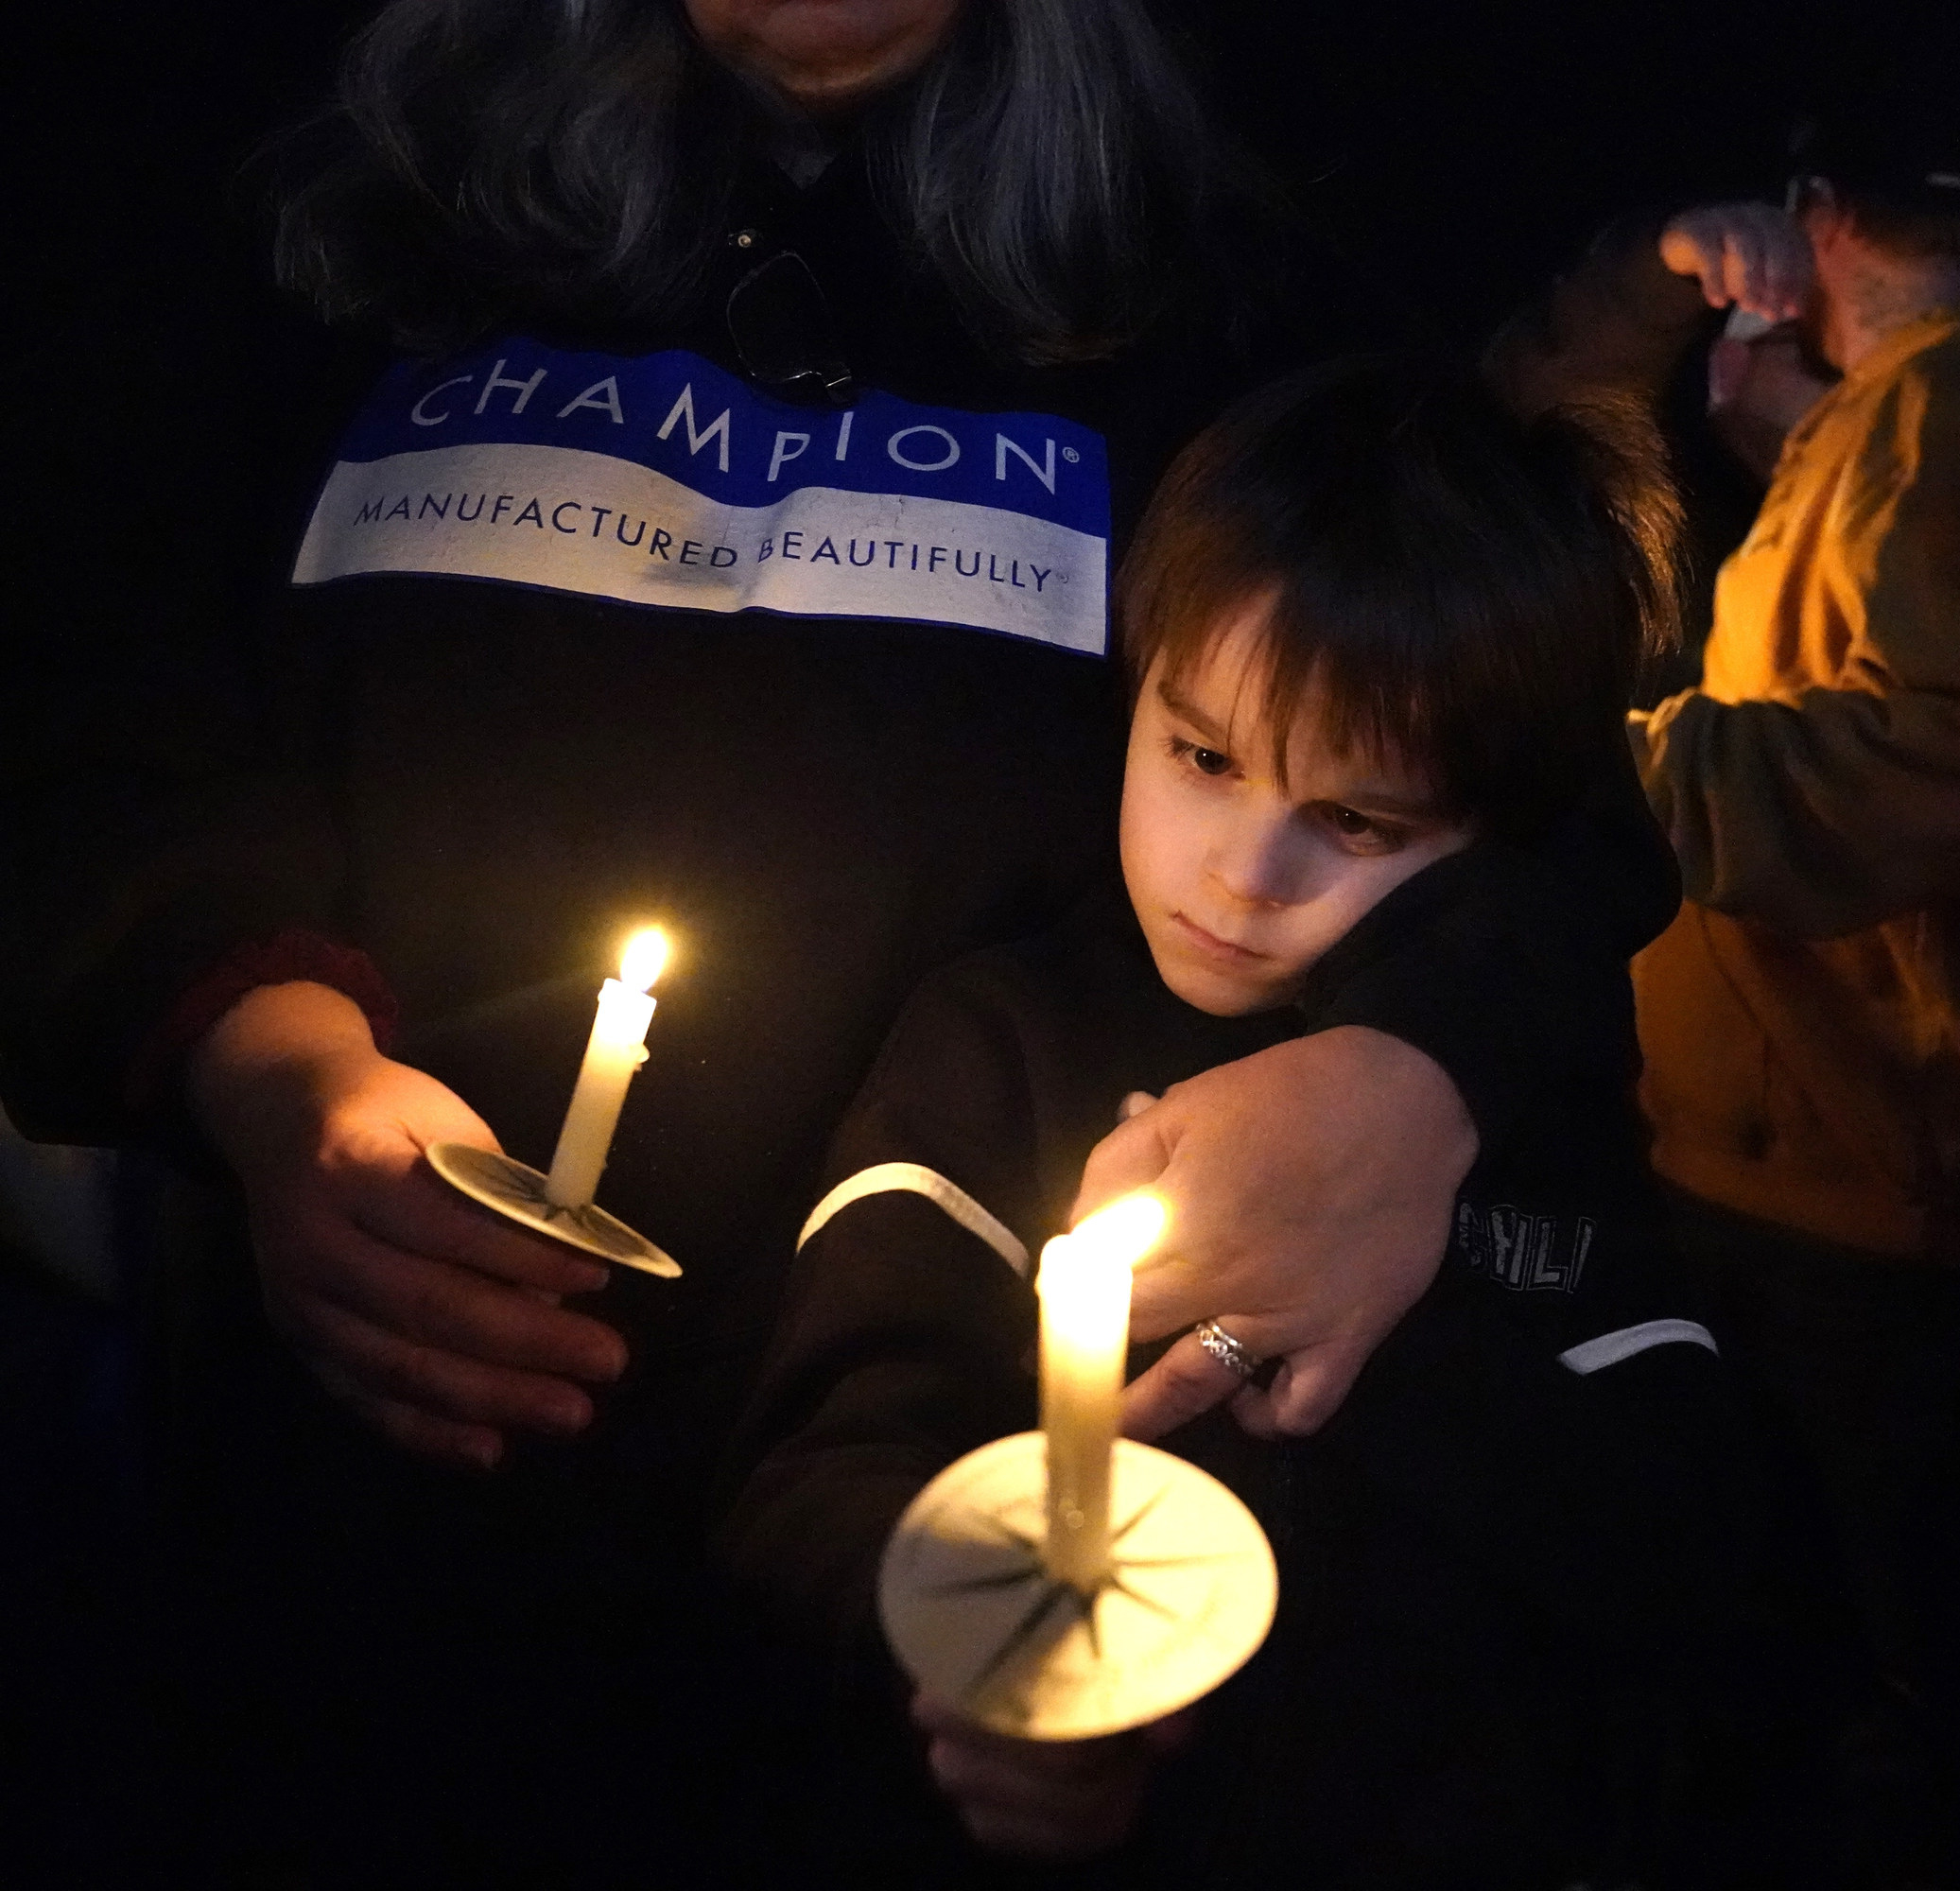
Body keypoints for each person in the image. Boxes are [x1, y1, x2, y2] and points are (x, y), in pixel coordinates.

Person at [0, 3, 1672, 1876]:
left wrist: (1410, 1068)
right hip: (332, 1549)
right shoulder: (314, 223)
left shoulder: (1228, 294)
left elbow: (1535, 782)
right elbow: (83, 708)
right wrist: (255, 1042)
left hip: (903, 1606)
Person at [721, 357, 1815, 1886]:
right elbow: (818, 1478)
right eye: (1205, 757)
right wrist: (973, 1682)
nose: (1242, 876)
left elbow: (1691, 1557)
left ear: (1493, 841)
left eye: (1359, 821)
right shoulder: (997, 1040)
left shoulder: (1518, 1113)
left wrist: (1389, 1328)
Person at [1491, 106, 1960, 1882]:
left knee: (1902, 1723)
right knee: (1930, 1692)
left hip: (1887, 1193)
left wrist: (1594, 766)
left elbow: (1926, 761)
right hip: (1884, 1179)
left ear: (1817, 220)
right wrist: (1792, 445)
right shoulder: (1958, 410)